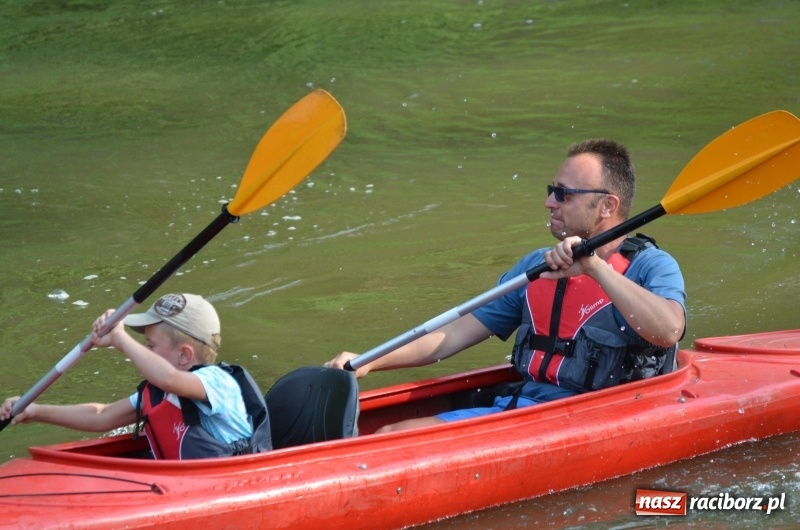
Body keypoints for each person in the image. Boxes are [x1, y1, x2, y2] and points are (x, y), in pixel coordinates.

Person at [326, 139, 686, 432]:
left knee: (395, 439)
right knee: (392, 434)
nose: (549, 202)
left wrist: (594, 268)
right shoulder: (536, 267)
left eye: (564, 194)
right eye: (551, 191)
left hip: (604, 419)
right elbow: (450, 334)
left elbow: (668, 330)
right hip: (524, 411)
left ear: (607, 205)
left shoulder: (651, 266)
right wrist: (367, 362)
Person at [1, 293, 271, 459]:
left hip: (231, 483)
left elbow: (170, 379)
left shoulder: (218, 382)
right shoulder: (157, 392)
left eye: (151, 346)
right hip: (183, 485)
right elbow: (101, 416)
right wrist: (35, 412)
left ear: (185, 356)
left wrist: (120, 338)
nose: (144, 350)